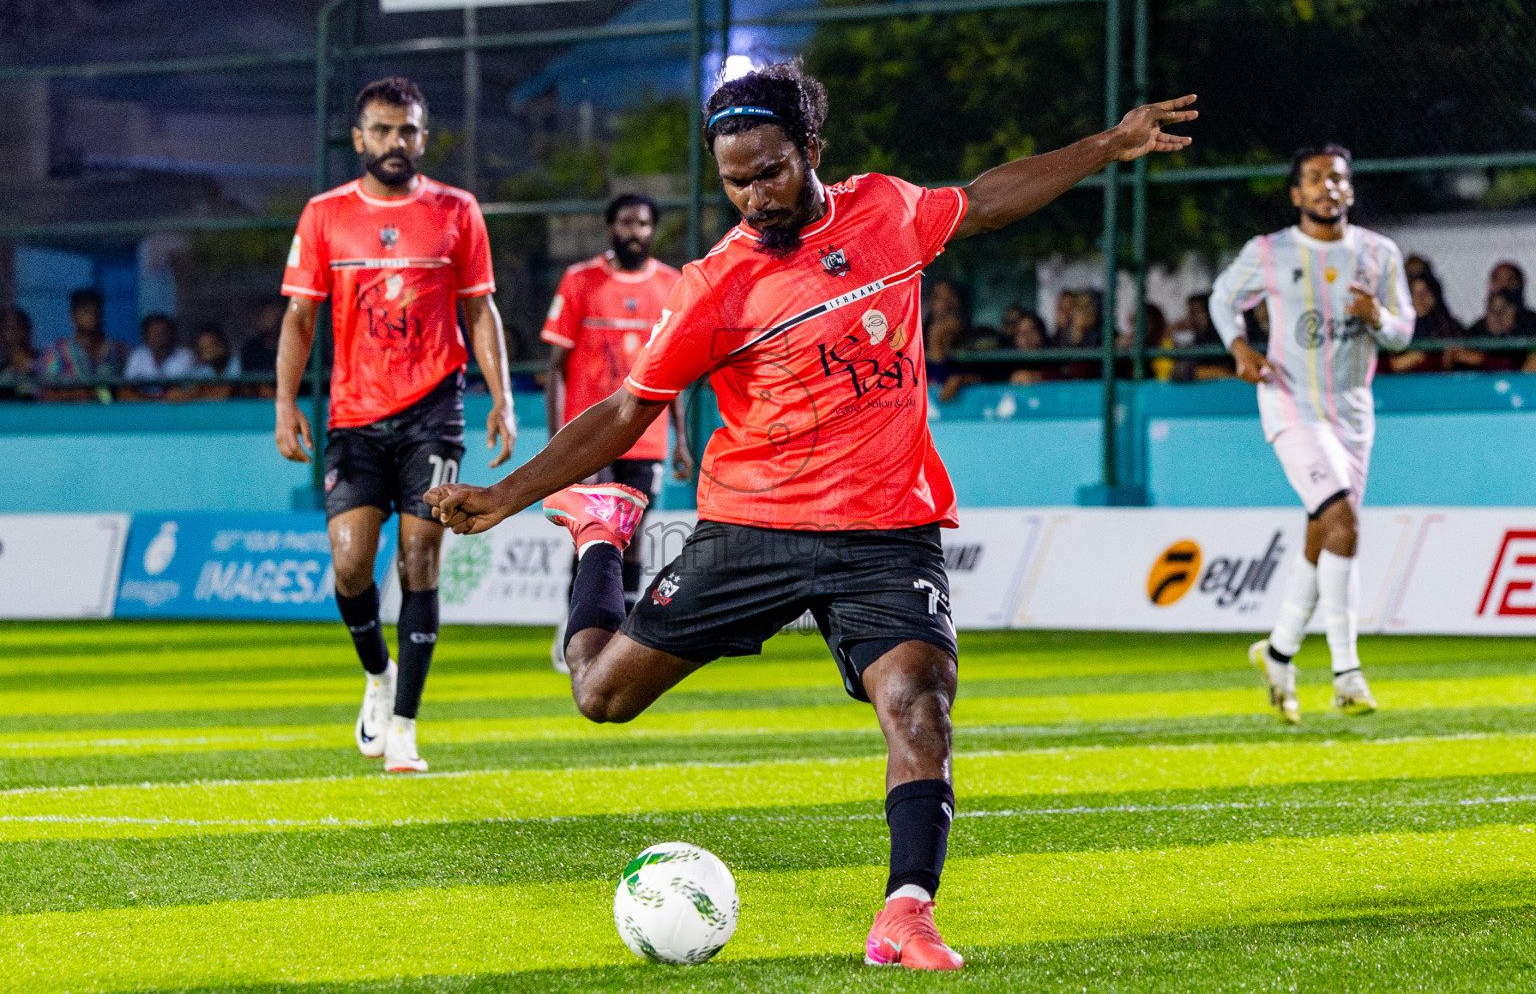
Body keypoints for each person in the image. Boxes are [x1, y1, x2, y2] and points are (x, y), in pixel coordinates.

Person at [425, 61, 1196, 970]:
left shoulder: (887, 211)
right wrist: (509, 495)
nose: (755, 195)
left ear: (811, 149)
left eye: (771, 170)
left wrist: (1108, 143)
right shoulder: (714, 285)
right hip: (755, 527)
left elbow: (986, 200)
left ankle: (906, 913)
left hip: (885, 528)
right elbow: (630, 410)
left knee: (920, 704)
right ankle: (602, 530)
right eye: (735, 180)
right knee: (600, 694)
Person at [275, 76, 517, 774]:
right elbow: (299, 315)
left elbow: (480, 309)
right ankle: (377, 675)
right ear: (358, 139)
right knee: (350, 565)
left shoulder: (456, 210)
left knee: (420, 559)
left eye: (407, 129)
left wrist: (500, 396)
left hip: (434, 412)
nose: (395, 142)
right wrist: (285, 402)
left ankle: (405, 727)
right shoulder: (324, 215)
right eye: (381, 130)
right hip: (354, 417)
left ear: (423, 134)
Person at [1210, 143, 1413, 725]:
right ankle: (1347, 670)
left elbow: (1403, 330)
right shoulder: (1270, 252)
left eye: (1339, 178)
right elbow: (1225, 298)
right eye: (1317, 179)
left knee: (1324, 529)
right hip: (1290, 405)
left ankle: (1277, 653)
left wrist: (1379, 318)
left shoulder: (1379, 253)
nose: (1330, 187)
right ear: (1297, 193)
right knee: (1344, 522)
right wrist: (1240, 346)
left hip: (1353, 414)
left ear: (1351, 190)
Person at [540, 193, 694, 670]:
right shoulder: (580, 280)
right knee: (592, 528)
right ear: (610, 227)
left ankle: (620, 635)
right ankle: (574, 632)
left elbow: (677, 374)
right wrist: (557, 443)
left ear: (654, 229)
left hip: (646, 434)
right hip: (590, 434)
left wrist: (682, 441)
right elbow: (556, 367)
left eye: (644, 223)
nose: (635, 231)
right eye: (626, 223)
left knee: (633, 533)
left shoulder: (672, 284)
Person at [39, 289, 128, 402]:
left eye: (96, 311)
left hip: (111, 415)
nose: (92, 316)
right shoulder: (57, 352)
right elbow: (46, 394)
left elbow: (129, 389)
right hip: (70, 415)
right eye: (86, 311)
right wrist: (75, 395)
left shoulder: (119, 349)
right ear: (73, 316)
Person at [1386, 269, 1461, 374]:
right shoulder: (1399, 325)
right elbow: (1391, 364)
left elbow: (1450, 359)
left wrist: (1419, 357)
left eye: (1425, 292)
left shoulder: (1448, 326)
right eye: (1415, 293)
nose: (1420, 299)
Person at [1450, 288, 1535, 372]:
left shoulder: (1527, 337)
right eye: (1492, 310)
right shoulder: (1475, 334)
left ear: (1515, 313)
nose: (1497, 315)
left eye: (1504, 309)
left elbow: (1516, 366)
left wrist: (1482, 360)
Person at [123, 313, 197, 398]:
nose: (159, 336)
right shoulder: (138, 355)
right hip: (145, 404)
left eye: (163, 332)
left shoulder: (185, 356)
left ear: (171, 334)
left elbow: (191, 388)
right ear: (145, 337)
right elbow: (128, 386)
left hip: (176, 405)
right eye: (154, 332)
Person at [240, 295, 285, 395]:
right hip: (258, 402)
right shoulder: (250, 348)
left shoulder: (292, 346)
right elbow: (248, 381)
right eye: (267, 315)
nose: (272, 320)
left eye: (275, 314)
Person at [0, 305, 38, 397]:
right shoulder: (2, 368)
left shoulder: (43, 363)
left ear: (27, 330)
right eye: (8, 328)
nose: (13, 333)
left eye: (17, 327)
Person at [1007, 311, 1049, 385]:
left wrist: (1037, 376)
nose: (1026, 337)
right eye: (1021, 332)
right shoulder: (1007, 365)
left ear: (1041, 334)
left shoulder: (1055, 361)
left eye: (1031, 330)